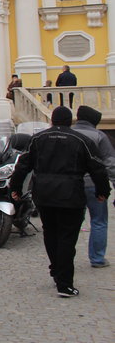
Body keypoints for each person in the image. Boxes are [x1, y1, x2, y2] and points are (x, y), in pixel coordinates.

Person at [11, 106, 110, 297]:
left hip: (44, 193)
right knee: (67, 238)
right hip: (71, 194)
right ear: (70, 121)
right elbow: (98, 169)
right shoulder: (82, 140)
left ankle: (57, 270)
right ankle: (64, 283)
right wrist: (102, 191)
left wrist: (14, 188)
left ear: (52, 121)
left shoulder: (38, 139)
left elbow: (23, 165)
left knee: (51, 232)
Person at [71, 105, 115, 268]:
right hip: (95, 185)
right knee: (99, 221)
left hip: (72, 185)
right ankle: (97, 258)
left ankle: (67, 257)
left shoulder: (70, 134)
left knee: (72, 222)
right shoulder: (99, 136)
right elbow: (110, 164)